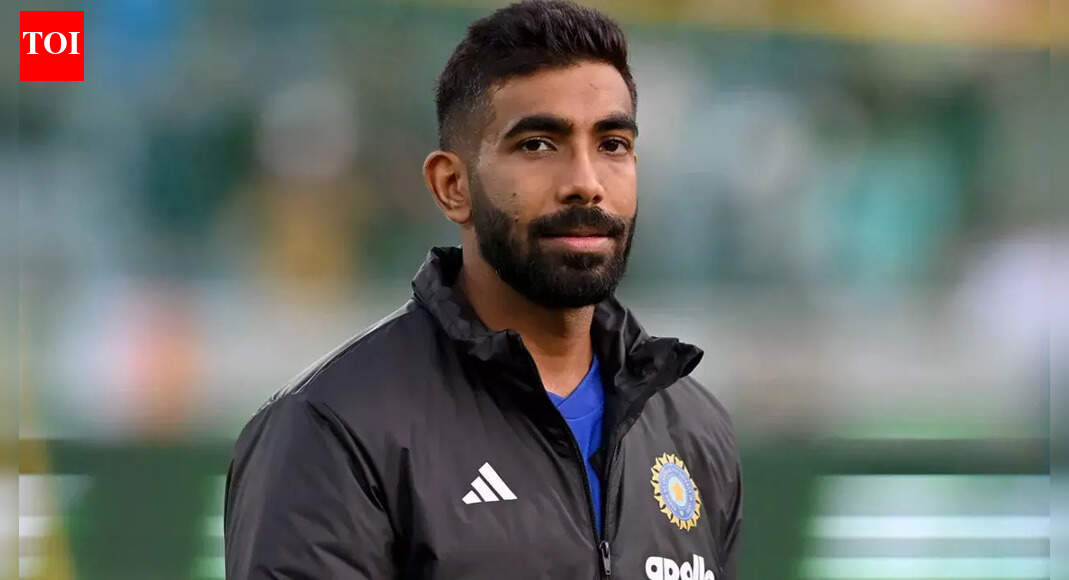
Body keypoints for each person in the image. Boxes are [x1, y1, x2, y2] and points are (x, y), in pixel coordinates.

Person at [223, 1, 742, 578]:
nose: (586, 183)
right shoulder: (334, 427)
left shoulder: (694, 429)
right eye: (538, 144)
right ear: (452, 186)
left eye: (612, 144)